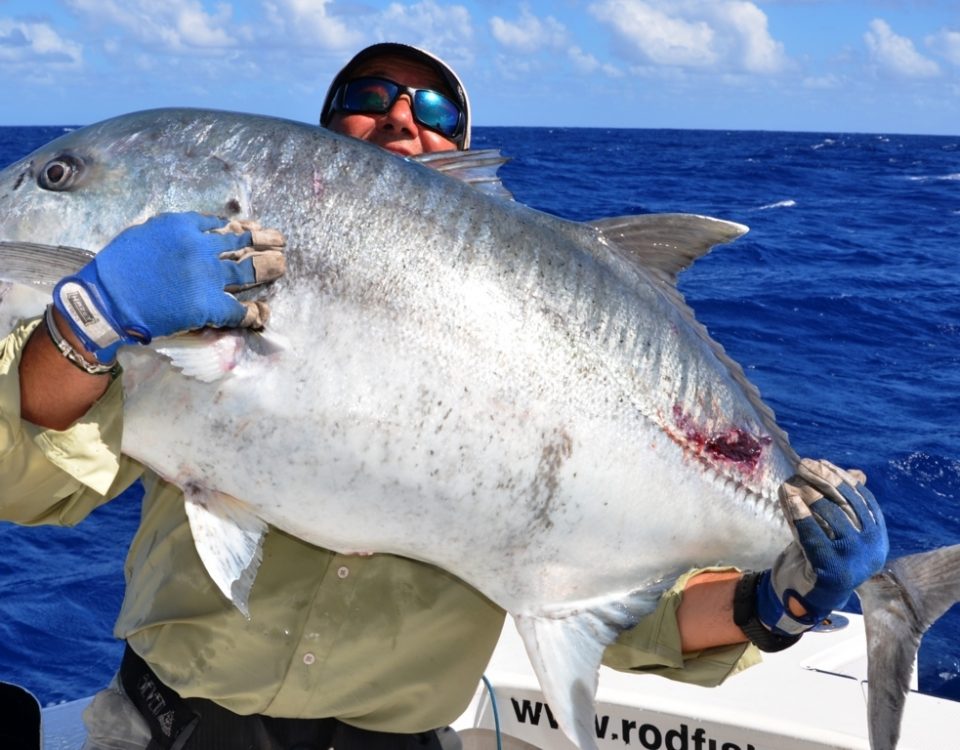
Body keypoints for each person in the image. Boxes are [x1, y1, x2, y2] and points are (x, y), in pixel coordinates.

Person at [0, 42, 887, 750]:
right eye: (371, 93)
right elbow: (32, 485)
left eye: (431, 111)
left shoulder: (522, 333)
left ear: (461, 154)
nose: (398, 117)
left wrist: (781, 604)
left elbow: (641, 618)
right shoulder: (140, 310)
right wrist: (89, 325)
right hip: (170, 729)